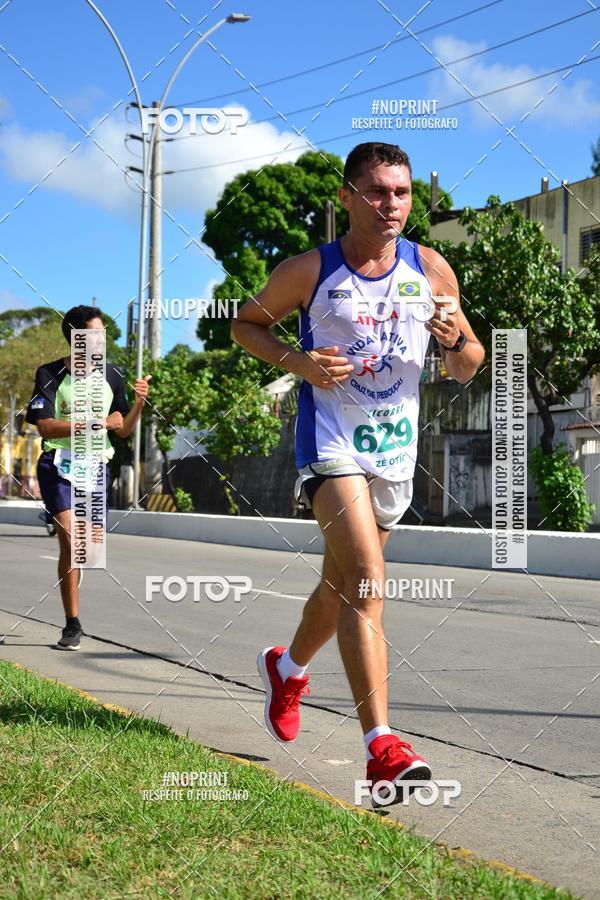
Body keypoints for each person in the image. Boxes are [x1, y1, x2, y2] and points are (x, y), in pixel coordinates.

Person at [232, 142, 485, 805]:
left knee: (344, 585)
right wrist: (302, 362)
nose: (391, 205)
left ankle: (286, 670)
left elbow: (468, 364)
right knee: (369, 580)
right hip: (330, 442)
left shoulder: (430, 269)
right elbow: (246, 326)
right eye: (376, 192)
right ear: (346, 196)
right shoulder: (310, 269)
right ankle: (381, 747)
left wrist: (455, 335)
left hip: (394, 452)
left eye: (401, 193)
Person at [26, 305, 150, 650]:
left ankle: (71, 568)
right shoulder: (49, 373)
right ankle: (72, 623)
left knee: (85, 549)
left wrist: (138, 403)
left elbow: (122, 429)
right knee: (70, 536)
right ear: (76, 338)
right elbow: (45, 425)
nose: (101, 340)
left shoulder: (112, 375)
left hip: (96, 467)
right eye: (94, 334)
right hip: (58, 463)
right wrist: (95, 423)